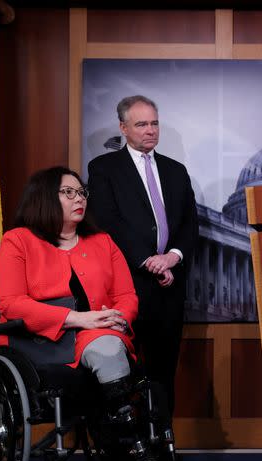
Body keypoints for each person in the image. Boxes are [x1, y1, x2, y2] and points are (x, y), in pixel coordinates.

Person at [0, 167, 173, 461]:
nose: (80, 199)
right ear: (45, 197)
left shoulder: (102, 242)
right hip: (40, 342)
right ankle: (139, 457)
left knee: (107, 346)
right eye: (69, 192)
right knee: (105, 347)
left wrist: (118, 316)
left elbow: (127, 296)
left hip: (100, 334)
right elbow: (10, 303)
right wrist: (76, 319)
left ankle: (136, 455)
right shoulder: (18, 241)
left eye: (82, 193)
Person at [88, 95, 198, 418]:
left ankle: (163, 444)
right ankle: (133, 451)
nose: (150, 130)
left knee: (164, 371)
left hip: (169, 287)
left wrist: (172, 257)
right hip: (127, 287)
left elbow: (190, 224)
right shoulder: (104, 169)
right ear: (123, 128)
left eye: (154, 123)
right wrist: (148, 259)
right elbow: (107, 220)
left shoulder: (176, 171)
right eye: (141, 124)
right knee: (127, 373)